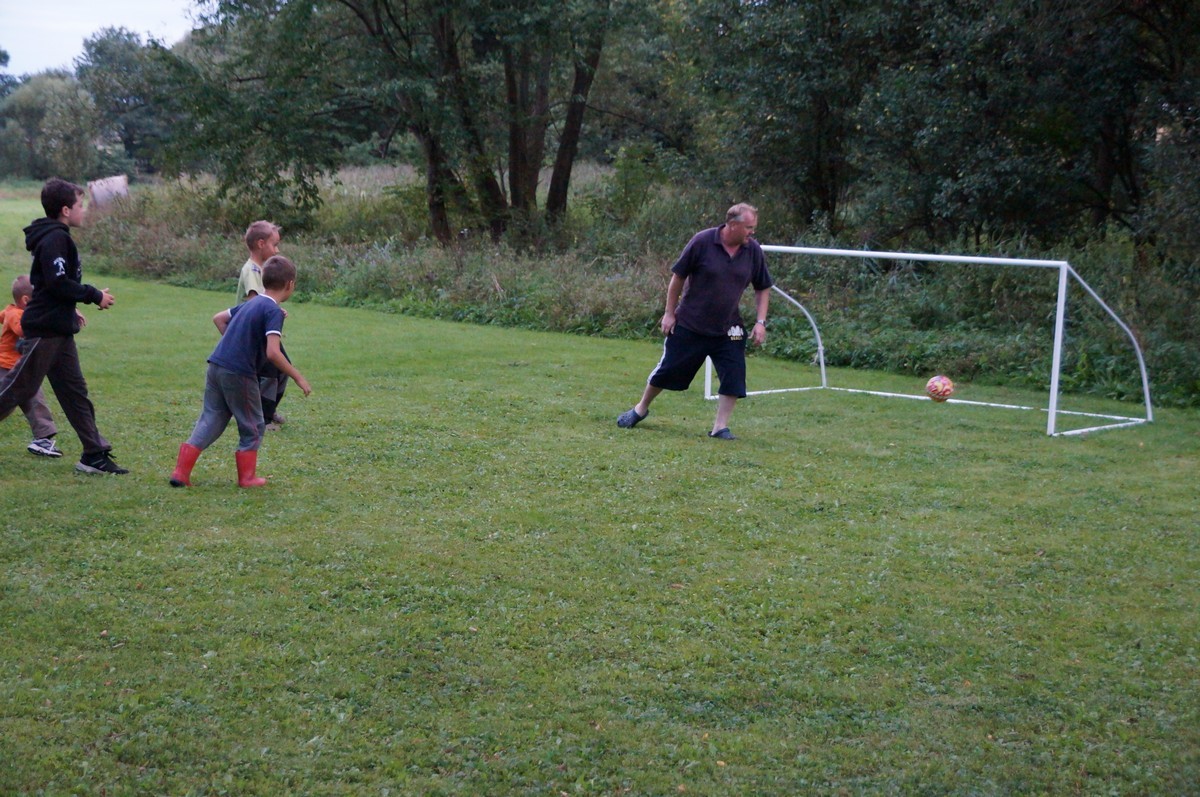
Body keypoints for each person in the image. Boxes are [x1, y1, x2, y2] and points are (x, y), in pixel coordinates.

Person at [0, 178, 127, 474]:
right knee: (17, 388)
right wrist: (94, 294)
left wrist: (74, 307)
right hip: (45, 330)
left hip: (60, 328)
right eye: (80, 205)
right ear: (66, 210)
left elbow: (55, 286)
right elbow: (58, 283)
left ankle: (94, 455)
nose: (84, 210)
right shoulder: (55, 239)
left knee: (74, 392)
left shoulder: (57, 237)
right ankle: (94, 452)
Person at [616, 203, 773, 440]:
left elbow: (763, 287)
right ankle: (640, 409)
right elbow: (678, 277)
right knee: (668, 370)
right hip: (691, 323)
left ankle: (720, 427)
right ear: (733, 225)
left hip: (729, 327)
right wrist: (669, 313)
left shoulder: (753, 251)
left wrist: (761, 322)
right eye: (749, 227)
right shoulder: (702, 242)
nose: (753, 232)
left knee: (734, 373)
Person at [170, 255, 312, 488]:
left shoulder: (251, 304)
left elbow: (218, 319)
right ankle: (247, 478)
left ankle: (180, 472)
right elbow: (273, 352)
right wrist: (298, 377)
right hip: (239, 373)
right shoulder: (273, 311)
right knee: (253, 425)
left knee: (212, 417)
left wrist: (236, 344)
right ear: (290, 285)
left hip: (217, 365)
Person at [1, 275, 62, 457]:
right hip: (6, 369)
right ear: (26, 301)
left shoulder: (11, 311)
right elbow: (23, 329)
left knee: (36, 402)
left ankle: (42, 439)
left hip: (24, 369)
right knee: (5, 402)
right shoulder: (17, 314)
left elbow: (2, 315)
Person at [237, 220, 289, 430]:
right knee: (269, 374)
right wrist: (271, 312)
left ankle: (269, 408)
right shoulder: (251, 271)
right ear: (261, 244)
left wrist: (275, 310)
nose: (277, 250)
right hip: (256, 334)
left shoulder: (262, 269)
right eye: (274, 245)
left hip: (266, 331)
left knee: (283, 369)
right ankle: (263, 419)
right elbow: (254, 303)